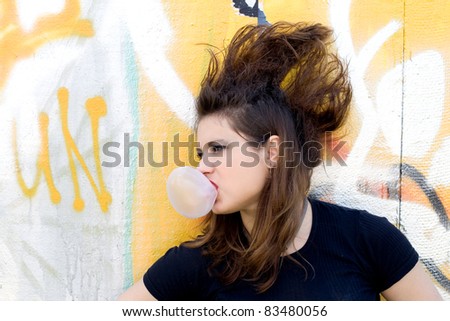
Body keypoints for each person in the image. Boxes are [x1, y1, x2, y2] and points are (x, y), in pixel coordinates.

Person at [118, 21, 442, 300]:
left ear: (272, 152)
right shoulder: (196, 264)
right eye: (203, 153)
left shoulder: (367, 239)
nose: (203, 166)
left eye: (218, 149)